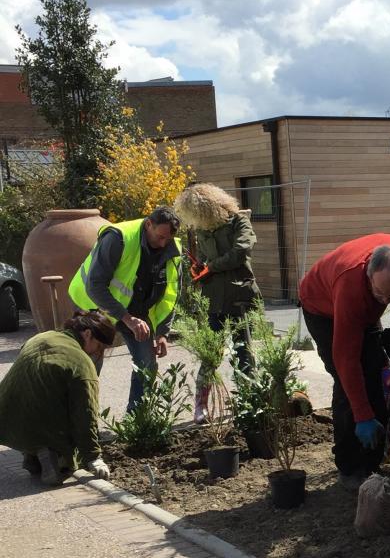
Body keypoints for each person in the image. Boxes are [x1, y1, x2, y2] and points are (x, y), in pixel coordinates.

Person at [298, 234, 390, 488]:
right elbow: (346, 361)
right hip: (322, 309)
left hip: (361, 302)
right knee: (348, 385)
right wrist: (363, 416)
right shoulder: (351, 287)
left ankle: (372, 464)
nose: (384, 301)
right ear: (368, 275)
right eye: (379, 293)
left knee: (375, 372)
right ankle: (350, 467)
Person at [67, 205, 182, 412]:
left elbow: (170, 294)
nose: (163, 243)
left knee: (146, 364)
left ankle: (137, 419)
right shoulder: (118, 238)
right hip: (95, 306)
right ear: (149, 224)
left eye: (168, 239)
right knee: (89, 365)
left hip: (137, 311)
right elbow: (94, 285)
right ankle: (80, 422)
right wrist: (126, 318)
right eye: (160, 237)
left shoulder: (172, 250)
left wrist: (163, 333)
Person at [173, 183, 262, 422]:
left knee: (244, 351)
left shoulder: (238, 222)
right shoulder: (202, 230)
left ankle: (249, 399)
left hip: (240, 295)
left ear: (209, 207)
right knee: (210, 352)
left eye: (198, 214)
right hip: (213, 299)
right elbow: (204, 257)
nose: (196, 220)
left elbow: (241, 251)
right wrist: (198, 267)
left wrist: (211, 267)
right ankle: (201, 404)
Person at [0, 310, 116, 485]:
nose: (99, 353)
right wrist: (93, 457)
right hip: (42, 427)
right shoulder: (82, 363)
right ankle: (54, 455)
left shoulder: (41, 337)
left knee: (41, 399)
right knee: (71, 457)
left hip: (7, 422)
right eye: (99, 346)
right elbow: (85, 414)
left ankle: (31, 453)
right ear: (87, 334)